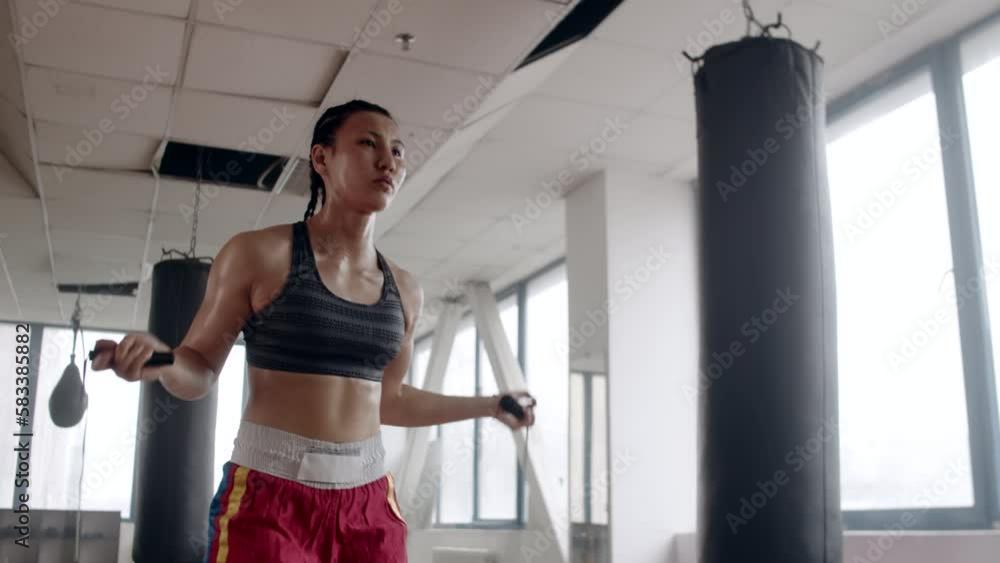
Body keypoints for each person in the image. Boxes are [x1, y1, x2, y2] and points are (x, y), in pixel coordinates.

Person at [91, 99, 537, 562]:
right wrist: (160, 360)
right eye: (368, 143)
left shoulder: (405, 289)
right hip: (270, 500)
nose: (388, 160)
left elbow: (391, 399)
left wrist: (488, 406)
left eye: (399, 151)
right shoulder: (258, 254)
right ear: (321, 158)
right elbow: (199, 368)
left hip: (368, 504)